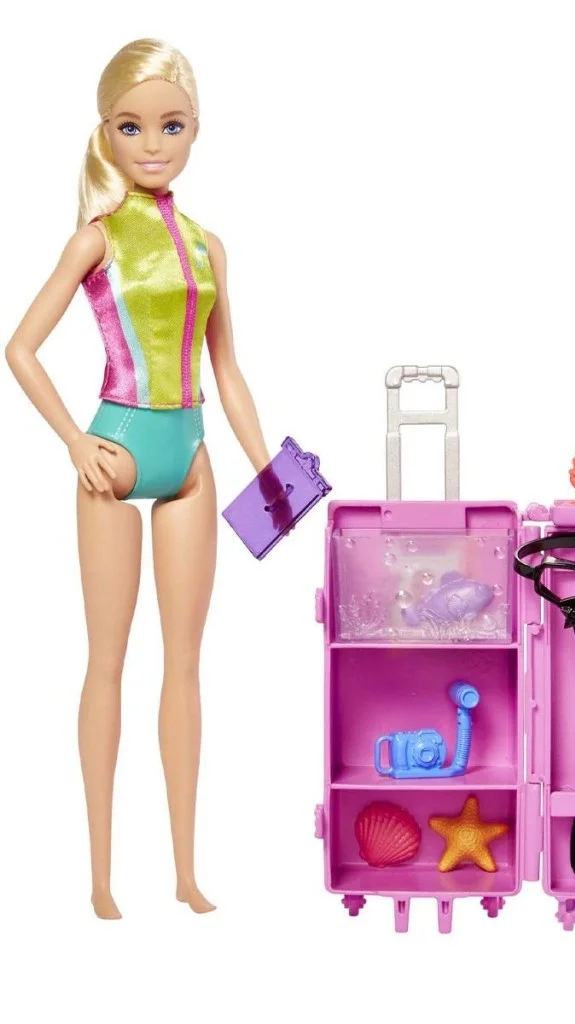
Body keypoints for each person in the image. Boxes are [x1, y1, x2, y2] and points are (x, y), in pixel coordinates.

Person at [5, 38, 282, 919]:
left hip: (192, 456)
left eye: (171, 125)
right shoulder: (98, 238)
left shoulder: (208, 247)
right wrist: (71, 442)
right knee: (108, 662)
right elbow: (20, 348)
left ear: (196, 130)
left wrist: (268, 470)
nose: (153, 143)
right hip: (116, 451)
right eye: (131, 127)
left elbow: (227, 370)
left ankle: (186, 873)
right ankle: (99, 876)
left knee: (186, 666)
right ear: (106, 133)